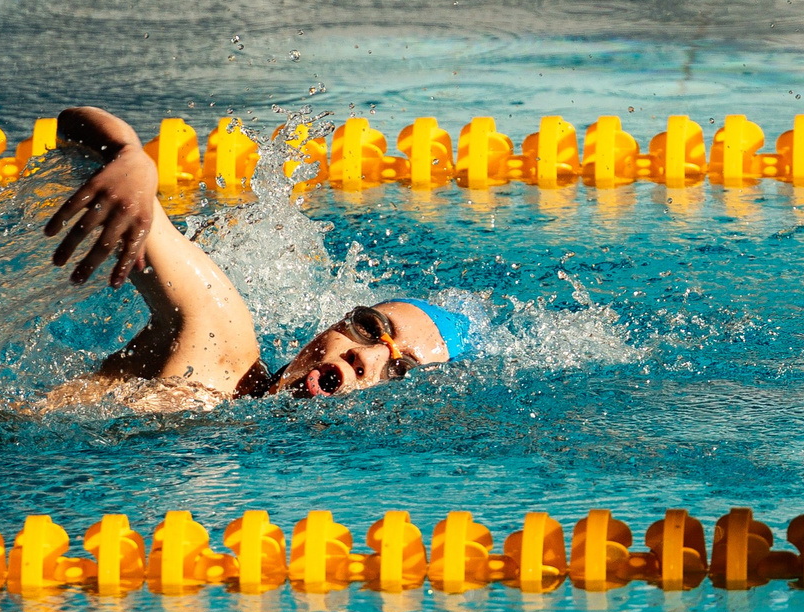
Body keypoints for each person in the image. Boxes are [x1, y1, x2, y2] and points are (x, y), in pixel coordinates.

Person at [40, 105, 482, 410]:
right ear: (332, 326)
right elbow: (74, 125)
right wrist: (130, 157)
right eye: (370, 329)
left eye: (400, 370)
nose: (367, 360)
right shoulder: (216, 343)